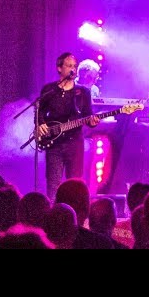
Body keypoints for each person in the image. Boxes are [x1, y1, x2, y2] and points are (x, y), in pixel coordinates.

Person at [35, 52, 99, 201]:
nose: (73, 69)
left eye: (74, 66)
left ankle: (75, 214)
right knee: (53, 186)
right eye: (69, 66)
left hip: (74, 144)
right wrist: (40, 124)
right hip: (54, 144)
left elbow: (88, 115)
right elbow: (39, 112)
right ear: (59, 68)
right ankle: (52, 212)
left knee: (74, 187)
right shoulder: (49, 90)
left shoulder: (83, 92)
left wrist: (92, 122)